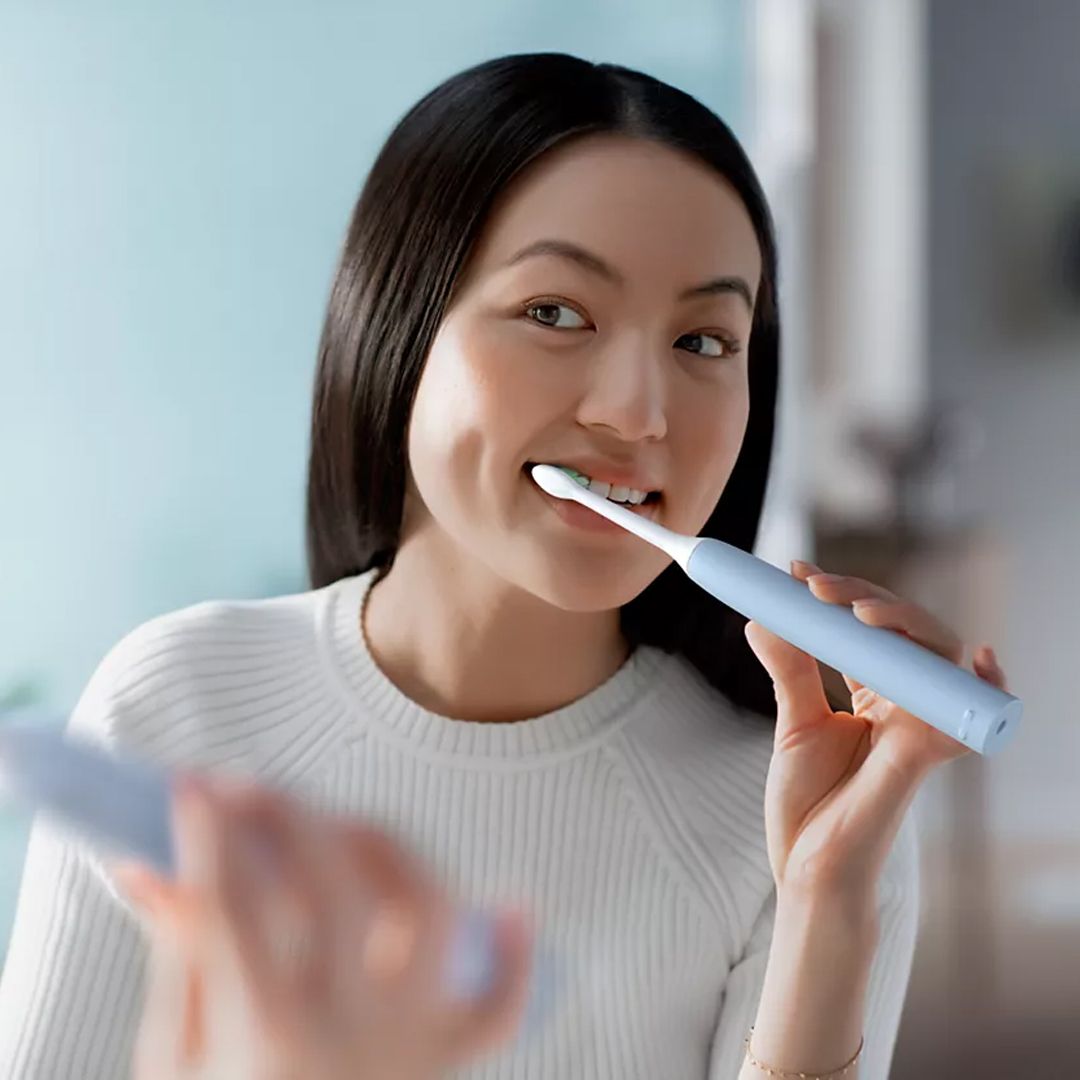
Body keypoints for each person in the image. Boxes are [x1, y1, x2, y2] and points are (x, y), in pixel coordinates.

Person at [0, 52, 1010, 1079]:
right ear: (397, 329)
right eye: (556, 313)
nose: (637, 412)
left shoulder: (803, 810)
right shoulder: (175, 711)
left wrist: (828, 902)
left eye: (704, 340)